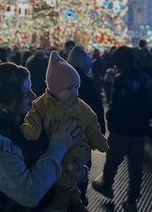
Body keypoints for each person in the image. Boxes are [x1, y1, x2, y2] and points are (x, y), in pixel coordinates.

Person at [0, 62, 87, 212]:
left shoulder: (28, 117)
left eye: (30, 88)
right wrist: (59, 146)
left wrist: (80, 173)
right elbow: (29, 194)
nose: (34, 96)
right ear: (3, 106)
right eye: (25, 94)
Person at [21, 51, 109, 212]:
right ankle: (75, 199)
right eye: (69, 88)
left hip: (77, 147)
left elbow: (92, 123)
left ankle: (59, 205)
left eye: (77, 87)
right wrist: (31, 129)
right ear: (54, 88)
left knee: (67, 169)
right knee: (64, 173)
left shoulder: (80, 105)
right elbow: (34, 117)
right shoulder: (42, 104)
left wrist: (98, 139)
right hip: (57, 150)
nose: (75, 92)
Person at [92, 46, 152, 212]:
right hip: (139, 129)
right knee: (136, 166)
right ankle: (131, 200)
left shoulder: (121, 78)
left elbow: (116, 104)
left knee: (112, 160)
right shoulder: (144, 77)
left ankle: (107, 185)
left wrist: (110, 117)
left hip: (122, 129)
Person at [67, 45, 106, 206]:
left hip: (64, 132)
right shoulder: (88, 82)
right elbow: (97, 109)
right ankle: (79, 198)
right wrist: (100, 132)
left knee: (65, 166)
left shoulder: (62, 79)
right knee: (82, 166)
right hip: (83, 134)